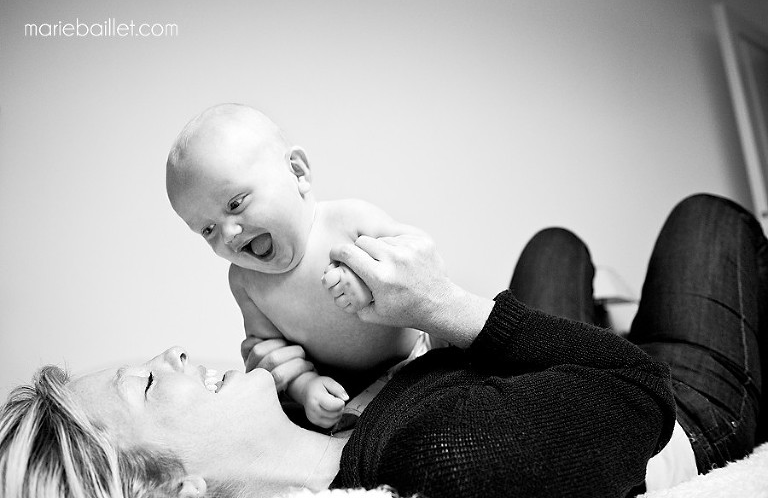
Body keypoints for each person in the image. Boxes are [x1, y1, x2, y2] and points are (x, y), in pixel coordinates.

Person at [0, 193, 765, 498]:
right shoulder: (435, 457)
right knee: (706, 219)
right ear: (172, 491)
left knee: (554, 246)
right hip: (680, 421)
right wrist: (445, 304)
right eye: (144, 385)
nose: (169, 353)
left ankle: (598, 300)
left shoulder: (328, 427)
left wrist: (309, 381)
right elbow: (639, 395)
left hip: (535, 386)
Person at [165, 104, 427, 428]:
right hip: (348, 391)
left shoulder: (347, 221)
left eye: (235, 204)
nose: (229, 234)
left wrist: (373, 276)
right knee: (312, 427)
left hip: (418, 359)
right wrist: (306, 387)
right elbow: (272, 350)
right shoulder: (246, 282)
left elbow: (422, 255)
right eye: (208, 230)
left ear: (298, 172)